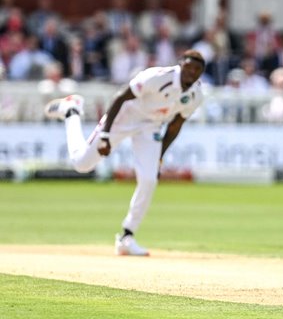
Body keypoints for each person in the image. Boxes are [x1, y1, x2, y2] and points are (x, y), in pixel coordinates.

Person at [43, 50, 206, 256]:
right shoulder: (157, 76)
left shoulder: (195, 94)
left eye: (197, 70)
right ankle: (71, 110)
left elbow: (175, 126)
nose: (192, 72)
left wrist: (159, 157)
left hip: (151, 127)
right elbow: (120, 97)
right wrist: (105, 135)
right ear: (180, 64)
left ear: (201, 73)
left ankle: (127, 237)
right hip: (124, 116)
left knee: (149, 180)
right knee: (81, 164)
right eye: (189, 66)